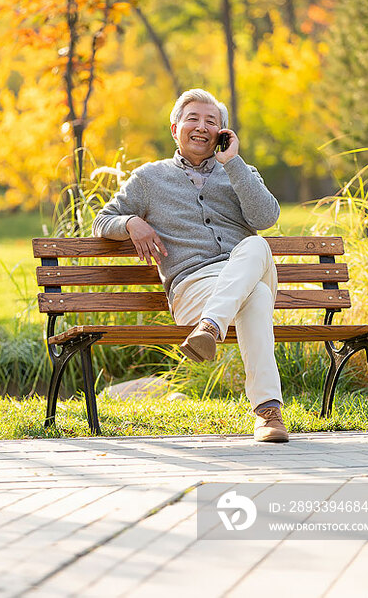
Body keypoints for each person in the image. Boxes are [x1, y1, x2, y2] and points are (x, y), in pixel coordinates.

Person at [92, 89, 288, 443]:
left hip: (243, 270)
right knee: (256, 296)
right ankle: (268, 412)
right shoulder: (149, 179)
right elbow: (102, 220)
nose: (201, 127)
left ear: (223, 134)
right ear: (175, 128)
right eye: (192, 119)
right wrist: (130, 223)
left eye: (211, 122)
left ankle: (210, 328)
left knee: (256, 244)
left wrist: (234, 164)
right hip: (193, 288)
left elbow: (266, 217)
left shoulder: (240, 172)